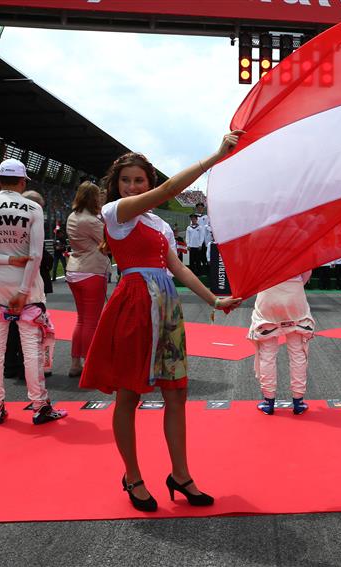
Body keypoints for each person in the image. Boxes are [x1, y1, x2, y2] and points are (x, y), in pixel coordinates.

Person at [80, 133, 243, 512]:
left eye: (139, 180)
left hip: (165, 306)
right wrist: (217, 156)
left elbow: (177, 268)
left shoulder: (158, 225)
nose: (132, 185)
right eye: (126, 180)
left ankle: (181, 474)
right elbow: (172, 187)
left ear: (147, 182)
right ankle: (133, 477)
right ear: (116, 185)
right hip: (135, 304)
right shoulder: (115, 213)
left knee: (177, 394)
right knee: (129, 394)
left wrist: (214, 299)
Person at [0, 158, 67, 426]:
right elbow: (35, 255)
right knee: (31, 347)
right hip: (28, 287)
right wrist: (23, 289)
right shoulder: (33, 207)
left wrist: (6, 260)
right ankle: (39, 406)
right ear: (22, 182)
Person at [249, 271, 315, 416]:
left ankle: (268, 402)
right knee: (298, 353)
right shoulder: (298, 247)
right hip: (294, 296)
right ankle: (298, 402)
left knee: (267, 354)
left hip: (268, 295)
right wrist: (293, 286)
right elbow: (307, 271)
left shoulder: (260, 247)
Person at [65, 181, 111, 378]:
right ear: (94, 199)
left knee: (82, 320)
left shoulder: (72, 216)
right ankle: (92, 364)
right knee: (92, 321)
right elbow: (107, 245)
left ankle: (76, 362)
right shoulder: (91, 221)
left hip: (75, 269)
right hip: (92, 271)